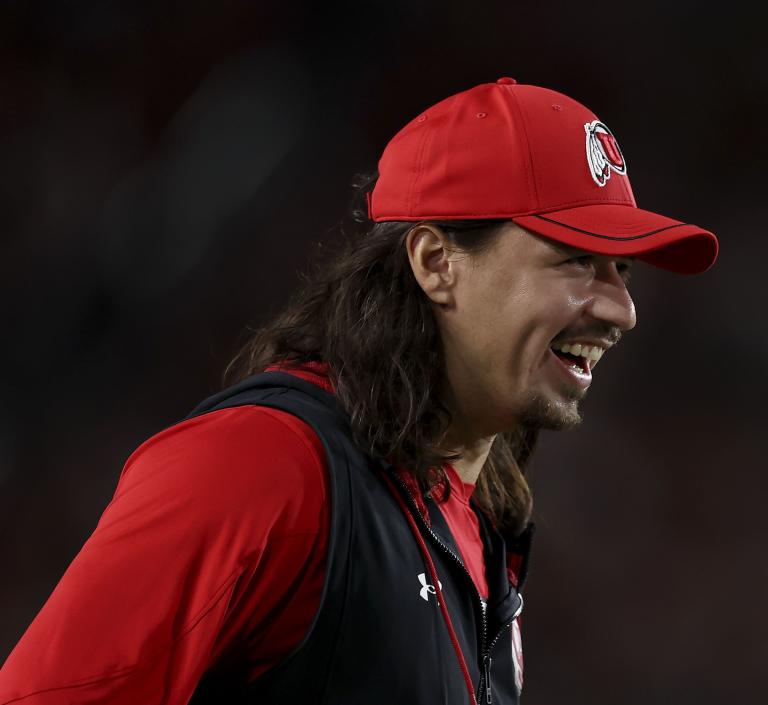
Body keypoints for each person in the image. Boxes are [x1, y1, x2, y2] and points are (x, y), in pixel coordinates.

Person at [0, 77, 718, 704]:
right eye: (575, 260)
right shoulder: (264, 464)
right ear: (438, 263)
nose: (621, 310)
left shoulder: (473, 519)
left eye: (623, 272)